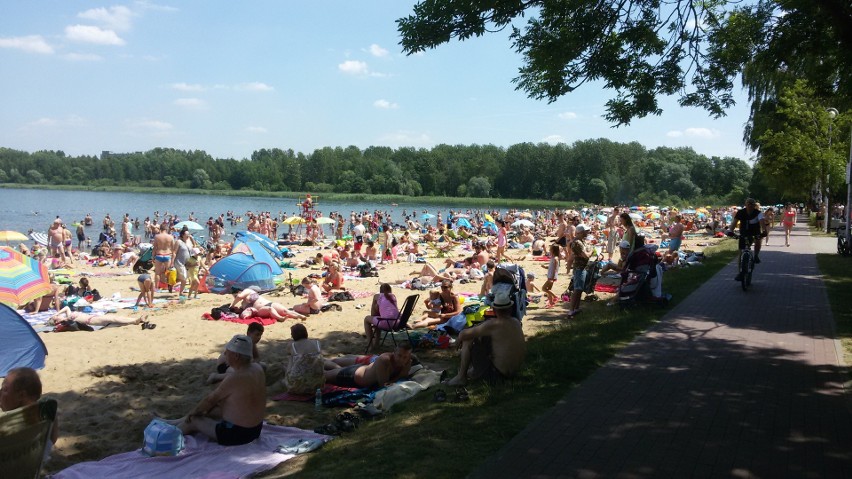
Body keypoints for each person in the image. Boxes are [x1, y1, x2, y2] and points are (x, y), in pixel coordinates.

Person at [172, 335, 266, 446]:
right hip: (256, 429)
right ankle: (174, 422)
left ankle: (168, 436)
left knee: (194, 419)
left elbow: (210, 400)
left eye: (227, 352)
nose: (225, 354)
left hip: (238, 434)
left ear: (236, 356)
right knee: (214, 410)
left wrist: (193, 413)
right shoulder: (257, 368)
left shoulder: (236, 377)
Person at [444, 284, 525, 386]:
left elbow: (464, 334)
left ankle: (461, 377)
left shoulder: (493, 324)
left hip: (497, 375)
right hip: (513, 372)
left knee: (468, 338)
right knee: (483, 338)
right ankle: (472, 371)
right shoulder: (515, 321)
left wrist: (458, 341)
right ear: (510, 308)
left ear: (494, 310)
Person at [0, 367, 59, 446]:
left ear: (21, 396)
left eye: (4, 389)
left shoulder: (5, 424)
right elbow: (53, 439)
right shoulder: (47, 412)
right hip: (39, 458)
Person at [324, 343, 413, 389]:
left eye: (405, 357)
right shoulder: (385, 360)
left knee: (330, 370)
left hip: (361, 369)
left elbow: (400, 377)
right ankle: (316, 360)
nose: (401, 359)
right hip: (353, 376)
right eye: (399, 355)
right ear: (394, 353)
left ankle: (319, 361)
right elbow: (384, 385)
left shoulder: (408, 362)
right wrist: (396, 379)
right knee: (323, 376)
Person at [728, 198, 764, 281]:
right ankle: (740, 273)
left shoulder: (758, 213)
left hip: (755, 231)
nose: (750, 205)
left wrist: (764, 231)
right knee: (741, 253)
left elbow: (762, 223)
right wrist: (730, 231)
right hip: (744, 232)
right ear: (745, 204)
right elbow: (734, 223)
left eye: (752, 204)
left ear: (754, 205)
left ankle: (756, 255)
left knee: (758, 239)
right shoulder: (740, 212)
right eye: (748, 204)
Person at [231, 286, 307, 321]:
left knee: (285, 311)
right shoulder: (243, 304)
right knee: (270, 309)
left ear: (239, 292)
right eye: (234, 296)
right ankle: (280, 318)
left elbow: (239, 296)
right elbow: (246, 312)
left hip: (269, 303)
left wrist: (232, 305)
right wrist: (236, 309)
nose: (235, 297)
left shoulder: (248, 291)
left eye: (235, 295)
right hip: (260, 310)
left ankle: (299, 316)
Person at [364, 283, 400, 351]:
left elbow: (373, 314)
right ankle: (376, 343)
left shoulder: (377, 296)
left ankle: (370, 345)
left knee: (367, 319)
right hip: (397, 323)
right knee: (378, 318)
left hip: (386, 323)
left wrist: (376, 308)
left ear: (380, 291)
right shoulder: (393, 296)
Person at [48, 306, 153, 328]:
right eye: (56, 319)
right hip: (92, 321)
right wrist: (59, 320)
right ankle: (135, 320)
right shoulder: (66, 321)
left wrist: (56, 314)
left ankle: (136, 320)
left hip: (94, 317)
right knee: (113, 319)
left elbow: (66, 307)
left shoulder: (68, 315)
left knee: (114, 318)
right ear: (56, 322)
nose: (58, 317)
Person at [568, 224, 591, 318]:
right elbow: (586, 255)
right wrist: (593, 251)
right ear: (580, 232)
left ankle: (576, 308)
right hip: (579, 268)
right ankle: (571, 311)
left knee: (580, 289)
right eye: (586, 231)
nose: (587, 232)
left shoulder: (580, 241)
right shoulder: (577, 242)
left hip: (582, 267)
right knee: (577, 289)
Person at [152, 226, 175, 291]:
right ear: (166, 229)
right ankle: (169, 287)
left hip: (159, 254)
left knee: (157, 273)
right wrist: (173, 258)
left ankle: (156, 288)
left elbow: (155, 248)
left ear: (160, 229)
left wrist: (153, 257)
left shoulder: (157, 236)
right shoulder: (170, 237)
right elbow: (173, 248)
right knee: (168, 272)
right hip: (167, 255)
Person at [542, 243, 560, 308]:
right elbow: (551, 267)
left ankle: (556, 297)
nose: (549, 250)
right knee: (549, 289)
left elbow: (555, 269)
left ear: (553, 250)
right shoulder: (553, 258)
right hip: (550, 276)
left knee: (543, 288)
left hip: (551, 276)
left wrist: (552, 278)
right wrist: (545, 267)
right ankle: (551, 303)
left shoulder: (555, 258)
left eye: (551, 249)